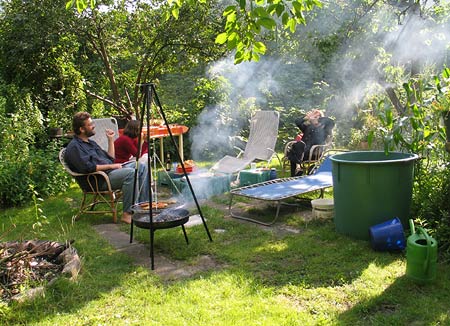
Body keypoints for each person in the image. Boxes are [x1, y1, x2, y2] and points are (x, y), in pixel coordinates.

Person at [64, 112, 149, 224]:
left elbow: (110, 158)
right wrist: (112, 166)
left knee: (141, 166)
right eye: (90, 124)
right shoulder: (75, 147)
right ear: (82, 129)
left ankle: (143, 207)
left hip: (109, 173)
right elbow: (88, 168)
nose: (93, 126)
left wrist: (110, 140)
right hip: (97, 180)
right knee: (131, 174)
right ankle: (127, 214)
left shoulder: (91, 143)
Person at [287, 109, 335, 177]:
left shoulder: (325, 129)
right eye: (313, 117)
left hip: (314, 153)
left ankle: (297, 170)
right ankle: (297, 170)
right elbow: (297, 122)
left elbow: (331, 123)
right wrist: (305, 118)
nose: (314, 119)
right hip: (302, 153)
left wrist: (318, 120)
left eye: (317, 117)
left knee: (293, 152)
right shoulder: (308, 127)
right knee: (298, 145)